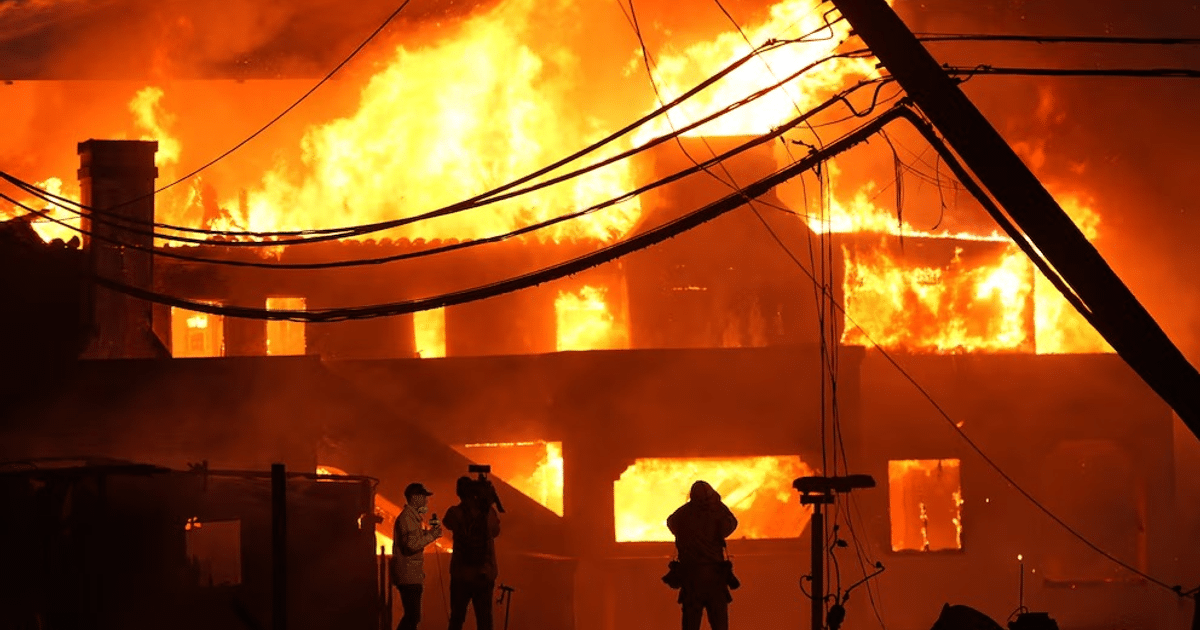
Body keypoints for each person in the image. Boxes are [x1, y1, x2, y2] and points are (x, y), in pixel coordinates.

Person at [666, 480, 739, 630]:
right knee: (719, 624)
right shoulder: (716, 512)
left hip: (691, 578)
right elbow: (731, 525)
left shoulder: (684, 513)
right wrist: (718, 504)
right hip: (715, 578)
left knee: (690, 624)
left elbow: (671, 522)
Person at [442, 475, 502, 630]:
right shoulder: (489, 513)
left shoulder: (455, 512)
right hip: (484, 574)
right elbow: (496, 531)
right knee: (484, 621)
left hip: (461, 575)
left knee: (456, 619)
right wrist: (485, 504)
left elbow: (447, 522)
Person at [392, 482, 442, 630]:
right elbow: (412, 545)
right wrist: (431, 535)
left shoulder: (411, 518)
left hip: (411, 575)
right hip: (409, 576)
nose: (426, 501)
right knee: (413, 616)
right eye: (424, 497)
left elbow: (413, 540)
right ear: (414, 498)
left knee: (412, 616)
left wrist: (427, 533)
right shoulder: (407, 518)